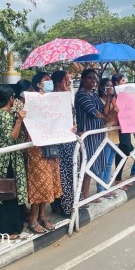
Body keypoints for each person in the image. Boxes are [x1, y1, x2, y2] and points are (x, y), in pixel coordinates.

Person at [26, 72, 63, 234]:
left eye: (50, 80)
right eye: (46, 80)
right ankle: (32, 219)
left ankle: (42, 216)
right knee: (39, 183)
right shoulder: (32, 100)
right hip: (36, 147)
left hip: (51, 144)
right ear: (38, 84)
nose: (50, 83)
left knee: (49, 183)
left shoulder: (53, 100)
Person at [0, 86, 28, 239]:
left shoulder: (9, 113)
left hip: (14, 158)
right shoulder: (1, 115)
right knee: (6, 192)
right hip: (6, 160)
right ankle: (6, 229)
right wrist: (19, 120)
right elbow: (11, 138)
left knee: (14, 192)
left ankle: (15, 225)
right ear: (10, 98)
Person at [75, 69, 106, 198]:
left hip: (97, 134)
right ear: (83, 79)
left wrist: (108, 96)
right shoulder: (81, 94)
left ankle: (86, 194)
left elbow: (103, 110)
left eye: (94, 78)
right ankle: (84, 195)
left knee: (95, 164)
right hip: (88, 134)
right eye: (89, 78)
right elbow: (95, 113)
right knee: (87, 165)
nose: (92, 81)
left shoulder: (94, 94)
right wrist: (104, 116)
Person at [51, 71, 77, 216]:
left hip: (69, 141)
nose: (68, 82)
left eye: (69, 80)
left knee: (70, 173)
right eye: (65, 80)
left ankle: (68, 204)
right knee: (62, 175)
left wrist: (73, 126)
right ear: (57, 83)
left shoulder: (67, 97)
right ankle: (64, 207)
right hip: (59, 143)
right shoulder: (52, 99)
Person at [98, 78, 119, 197]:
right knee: (103, 162)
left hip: (114, 132)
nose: (110, 88)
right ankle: (100, 188)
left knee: (110, 162)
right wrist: (110, 99)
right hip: (105, 134)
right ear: (101, 87)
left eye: (111, 86)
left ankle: (106, 186)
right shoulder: (100, 100)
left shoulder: (114, 101)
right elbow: (106, 114)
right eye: (107, 86)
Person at [111, 74, 133, 188]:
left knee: (126, 151)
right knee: (122, 151)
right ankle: (117, 179)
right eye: (122, 81)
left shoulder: (126, 95)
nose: (125, 83)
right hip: (119, 128)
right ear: (116, 83)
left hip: (127, 127)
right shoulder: (113, 97)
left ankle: (118, 177)